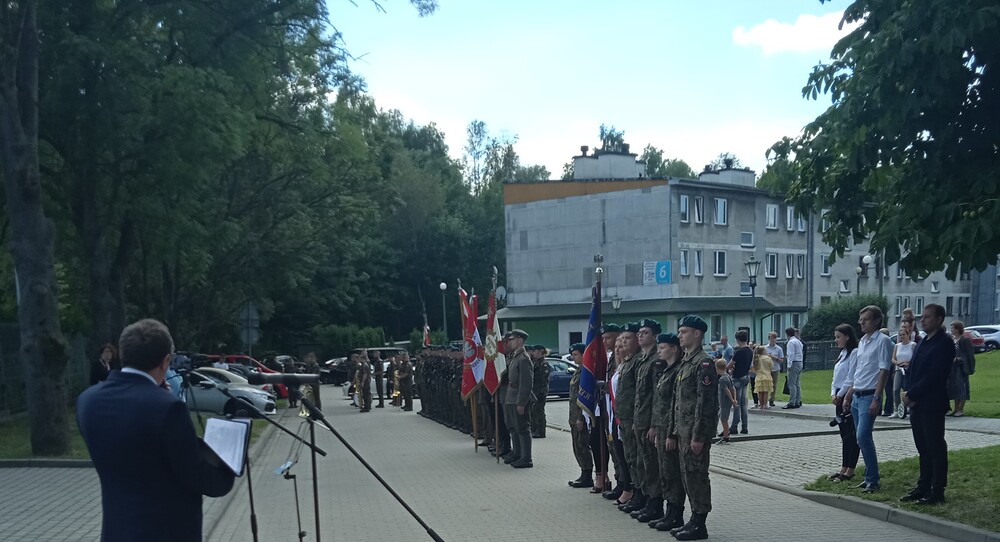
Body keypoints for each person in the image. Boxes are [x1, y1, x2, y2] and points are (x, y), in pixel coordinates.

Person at [77, 319, 235, 541]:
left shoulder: (87, 401)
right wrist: (229, 463)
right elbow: (198, 476)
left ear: (123, 354)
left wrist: (154, 390)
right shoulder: (168, 408)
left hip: (117, 531)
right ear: (166, 361)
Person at [666, 315, 718, 541]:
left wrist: (698, 436)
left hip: (694, 434)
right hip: (682, 431)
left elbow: (705, 404)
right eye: (679, 332)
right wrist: (673, 431)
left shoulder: (703, 363)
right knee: (686, 476)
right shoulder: (686, 362)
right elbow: (676, 402)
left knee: (696, 476)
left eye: (684, 332)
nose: (679, 336)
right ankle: (692, 520)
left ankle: (699, 523)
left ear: (697, 334)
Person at [901, 304, 954, 504]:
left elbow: (935, 375)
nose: (923, 320)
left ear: (939, 319)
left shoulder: (944, 343)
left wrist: (912, 393)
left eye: (927, 317)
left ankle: (937, 489)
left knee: (935, 446)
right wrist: (908, 391)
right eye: (922, 317)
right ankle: (923, 485)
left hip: (932, 402)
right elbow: (913, 369)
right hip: (917, 403)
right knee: (923, 447)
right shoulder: (923, 341)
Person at [841, 305, 893, 493]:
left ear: (877, 321)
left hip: (870, 394)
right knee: (859, 437)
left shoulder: (883, 341)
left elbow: (884, 370)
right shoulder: (863, 341)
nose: (861, 323)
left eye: (866, 319)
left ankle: (873, 479)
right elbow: (859, 370)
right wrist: (849, 393)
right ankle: (868, 477)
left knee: (863, 436)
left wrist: (876, 398)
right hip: (858, 394)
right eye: (860, 319)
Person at [649, 332, 686, 531]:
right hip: (662, 427)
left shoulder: (677, 370)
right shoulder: (666, 370)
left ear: (673, 348)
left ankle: (676, 513)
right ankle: (669, 512)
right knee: (664, 471)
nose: (659, 351)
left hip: (671, 429)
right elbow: (658, 404)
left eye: (662, 347)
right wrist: (655, 427)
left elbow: (675, 406)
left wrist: (672, 433)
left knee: (672, 473)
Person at [631, 319, 664, 523]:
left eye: (645, 332)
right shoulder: (642, 359)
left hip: (649, 422)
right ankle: (646, 499)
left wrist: (653, 424)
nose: (640, 336)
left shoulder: (656, 361)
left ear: (654, 336)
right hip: (639, 419)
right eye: (639, 333)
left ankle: (655, 504)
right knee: (642, 463)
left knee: (652, 465)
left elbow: (657, 396)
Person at [615, 322, 646, 514]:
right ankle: (636, 494)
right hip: (624, 418)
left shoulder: (639, 362)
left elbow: (640, 394)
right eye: (622, 338)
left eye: (628, 338)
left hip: (635, 419)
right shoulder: (628, 361)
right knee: (630, 459)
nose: (624, 341)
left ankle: (642, 496)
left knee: (639, 460)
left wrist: (637, 419)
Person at [828, 323, 860, 482]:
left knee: (850, 434)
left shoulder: (854, 352)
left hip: (847, 395)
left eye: (839, 337)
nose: (836, 340)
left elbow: (851, 377)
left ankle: (850, 469)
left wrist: (841, 395)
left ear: (847, 337)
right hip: (839, 396)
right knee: (843, 434)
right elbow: (835, 378)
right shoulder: (842, 354)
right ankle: (843, 467)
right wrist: (833, 394)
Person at [503, 329, 534, 468]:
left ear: (520, 340)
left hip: (518, 397)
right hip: (510, 396)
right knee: (513, 427)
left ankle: (526, 458)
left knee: (522, 427)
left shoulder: (524, 358)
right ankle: (517, 453)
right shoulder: (515, 357)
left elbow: (526, 383)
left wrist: (521, 402)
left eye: (512, 339)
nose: (510, 341)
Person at [567, 343, 594, 489]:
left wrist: (580, 417)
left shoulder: (586, 372)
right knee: (576, 445)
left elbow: (584, 397)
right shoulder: (579, 370)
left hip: (580, 416)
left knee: (582, 445)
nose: (573, 357)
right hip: (573, 415)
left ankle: (588, 474)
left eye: (576, 354)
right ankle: (583, 472)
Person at [726, 330, 752, 434]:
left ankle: (734, 426)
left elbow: (729, 365)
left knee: (736, 403)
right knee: (743, 403)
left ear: (737, 339)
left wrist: (728, 369)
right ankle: (744, 427)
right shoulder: (750, 351)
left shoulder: (738, 352)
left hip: (737, 377)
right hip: (746, 376)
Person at [947, 321, 975, 417]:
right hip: (953, 367)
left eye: (953, 328)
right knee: (954, 387)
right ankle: (955, 409)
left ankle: (961, 409)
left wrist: (960, 359)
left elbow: (969, 355)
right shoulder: (952, 340)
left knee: (961, 387)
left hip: (961, 367)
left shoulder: (964, 340)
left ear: (958, 329)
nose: (951, 330)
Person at [891, 328, 915, 418]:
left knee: (907, 389)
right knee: (896, 389)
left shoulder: (912, 345)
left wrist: (907, 363)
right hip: (899, 369)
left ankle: (908, 407)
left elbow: (915, 359)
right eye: (900, 335)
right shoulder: (897, 346)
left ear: (908, 335)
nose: (902, 336)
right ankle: (897, 409)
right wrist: (897, 362)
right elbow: (893, 359)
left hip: (908, 370)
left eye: (903, 334)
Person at [530, 345, 550, 438]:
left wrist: (542, 392)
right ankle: (535, 429)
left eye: (535, 351)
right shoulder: (534, 362)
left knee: (539, 411)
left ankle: (541, 431)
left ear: (541, 351)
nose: (533, 353)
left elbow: (544, 379)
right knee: (533, 411)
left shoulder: (543, 363)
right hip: (534, 390)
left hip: (540, 391)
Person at [715, 360, 737, 443]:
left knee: (724, 419)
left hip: (724, 402)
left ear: (717, 368)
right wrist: (734, 399)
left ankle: (726, 436)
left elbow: (727, 390)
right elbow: (733, 388)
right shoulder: (728, 376)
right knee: (723, 417)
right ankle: (726, 433)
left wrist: (732, 400)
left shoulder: (722, 379)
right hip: (727, 402)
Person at [783, 326, 804, 409]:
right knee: (797, 383)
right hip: (800, 362)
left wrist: (789, 365)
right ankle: (798, 400)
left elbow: (791, 354)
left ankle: (792, 402)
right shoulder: (798, 341)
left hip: (794, 363)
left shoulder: (791, 342)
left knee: (792, 384)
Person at [764, 331, 784, 407]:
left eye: (775, 338)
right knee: (765, 384)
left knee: (774, 385)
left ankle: (772, 399)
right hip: (766, 369)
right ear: (769, 339)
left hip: (775, 368)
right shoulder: (765, 348)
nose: (773, 340)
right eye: (771, 338)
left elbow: (782, 360)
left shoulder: (779, 349)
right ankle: (764, 400)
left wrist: (775, 358)